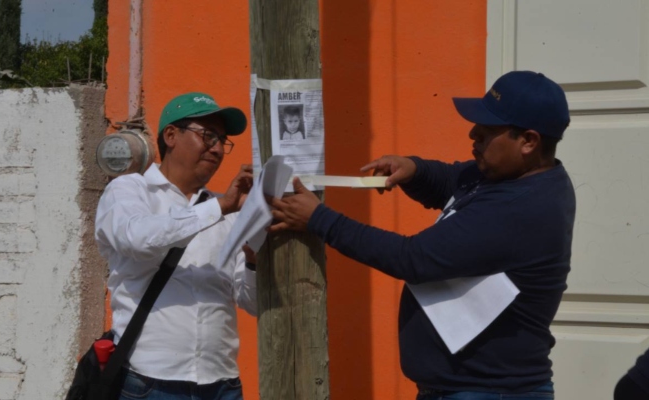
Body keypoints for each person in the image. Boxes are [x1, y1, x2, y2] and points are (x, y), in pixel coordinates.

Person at [268, 71, 575, 399]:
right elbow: (455, 180)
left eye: (487, 132)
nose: (473, 134)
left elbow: (413, 259)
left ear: (528, 141)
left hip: (492, 392)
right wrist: (414, 170)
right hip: (465, 389)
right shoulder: (508, 176)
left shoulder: (524, 207)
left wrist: (320, 220)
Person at [95, 92, 257, 400]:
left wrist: (253, 258)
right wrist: (220, 207)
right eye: (208, 135)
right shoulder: (129, 190)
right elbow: (138, 239)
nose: (219, 148)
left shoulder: (226, 210)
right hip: (150, 383)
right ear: (171, 135)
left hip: (222, 383)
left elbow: (252, 302)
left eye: (223, 140)